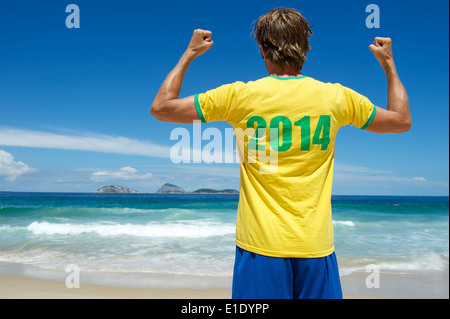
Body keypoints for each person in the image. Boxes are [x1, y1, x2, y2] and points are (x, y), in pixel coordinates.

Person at [150, 8, 410, 299]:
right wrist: (388, 63)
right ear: (306, 49)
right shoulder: (337, 97)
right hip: (315, 248)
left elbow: (161, 107)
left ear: (262, 49)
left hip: (260, 249)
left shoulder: (239, 96)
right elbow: (401, 121)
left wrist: (190, 53)